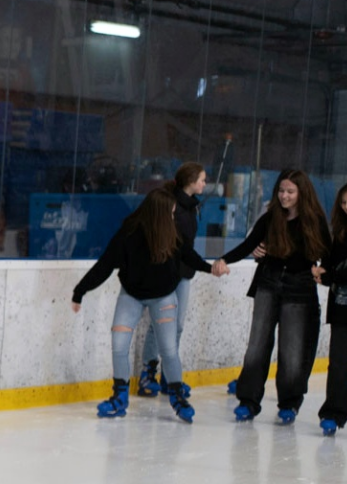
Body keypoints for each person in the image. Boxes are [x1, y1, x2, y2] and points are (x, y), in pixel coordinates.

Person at [71, 188, 224, 423]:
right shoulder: (129, 233)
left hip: (163, 296)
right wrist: (80, 291)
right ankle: (119, 397)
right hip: (131, 295)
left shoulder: (172, 233)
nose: (175, 213)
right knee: (119, 344)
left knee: (169, 349)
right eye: (172, 210)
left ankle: (177, 396)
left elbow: (188, 255)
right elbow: (105, 264)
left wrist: (209, 268)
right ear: (160, 212)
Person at [218, 168, 328, 423]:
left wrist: (328, 272)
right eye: (281, 191)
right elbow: (248, 245)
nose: (284, 196)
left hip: (299, 290)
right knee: (257, 345)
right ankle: (248, 400)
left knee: (292, 350)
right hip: (268, 284)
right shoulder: (271, 219)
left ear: (302, 193)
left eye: (290, 192)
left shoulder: (314, 221)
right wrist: (224, 260)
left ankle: (289, 403)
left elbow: (327, 253)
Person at [137, 162, 208, 396]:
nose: (205, 184)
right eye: (202, 179)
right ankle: (148, 375)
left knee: (177, 325)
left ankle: (170, 376)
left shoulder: (192, 207)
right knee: (160, 324)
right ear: (190, 181)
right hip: (166, 272)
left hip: (184, 274)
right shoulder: (170, 205)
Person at [313, 180, 347, 435]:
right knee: (338, 364)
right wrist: (321, 274)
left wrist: (336, 275)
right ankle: (333, 412)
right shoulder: (338, 234)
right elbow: (330, 268)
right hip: (342, 310)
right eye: (344, 203)